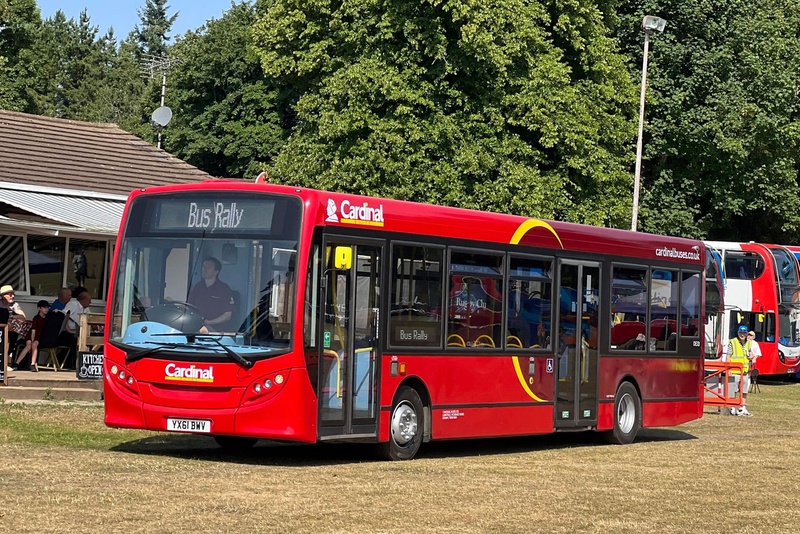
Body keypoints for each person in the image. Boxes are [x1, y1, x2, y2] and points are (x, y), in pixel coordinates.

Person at [188, 257, 234, 331]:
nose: (204, 269)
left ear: (216, 272)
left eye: (208, 267)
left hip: (216, 331)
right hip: (197, 327)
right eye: (203, 267)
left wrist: (209, 322)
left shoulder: (224, 289)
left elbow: (227, 316)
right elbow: (189, 307)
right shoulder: (198, 287)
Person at [12, 300, 50, 372]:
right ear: (39, 308)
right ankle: (16, 363)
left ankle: (32, 364)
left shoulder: (47, 318)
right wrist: (32, 340)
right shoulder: (36, 318)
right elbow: (33, 330)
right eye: (44, 307)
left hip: (39, 337)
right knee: (29, 345)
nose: (46, 309)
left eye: (47, 307)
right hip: (31, 335)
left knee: (34, 345)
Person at [724, 324, 753, 416]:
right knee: (733, 390)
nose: (742, 334)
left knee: (744, 390)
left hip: (744, 371)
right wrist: (728, 369)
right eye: (741, 332)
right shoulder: (732, 342)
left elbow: (751, 355)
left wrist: (751, 357)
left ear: (747, 333)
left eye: (744, 333)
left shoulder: (749, 343)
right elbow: (728, 356)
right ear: (738, 332)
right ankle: (732, 407)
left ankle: (742, 407)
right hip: (735, 370)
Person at [59, 290, 92, 369]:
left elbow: (90, 318)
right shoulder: (73, 304)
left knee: (89, 339)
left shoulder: (86, 308)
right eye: (89, 301)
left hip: (78, 332)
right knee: (74, 340)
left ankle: (86, 363)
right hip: (66, 333)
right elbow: (63, 315)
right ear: (83, 300)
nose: (90, 303)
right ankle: (75, 364)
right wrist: (69, 329)